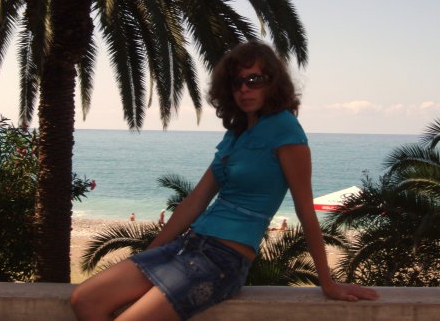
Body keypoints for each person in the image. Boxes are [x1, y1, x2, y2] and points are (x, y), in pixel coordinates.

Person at [71, 41, 378, 321]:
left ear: (273, 83)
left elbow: (305, 210)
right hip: (188, 246)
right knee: (85, 300)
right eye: (236, 82)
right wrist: (150, 253)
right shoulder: (236, 134)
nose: (244, 89)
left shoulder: (285, 130)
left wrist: (327, 282)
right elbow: (195, 201)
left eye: (254, 80)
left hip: (222, 260)